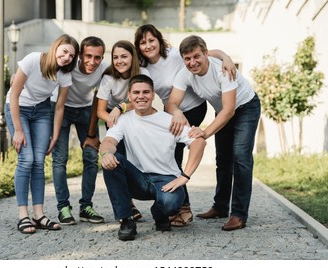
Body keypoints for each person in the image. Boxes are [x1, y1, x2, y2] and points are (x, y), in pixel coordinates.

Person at [134, 24, 236, 227]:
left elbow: (207, 52)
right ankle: (181, 206)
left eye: (151, 40)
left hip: (195, 108)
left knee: (178, 154)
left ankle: (188, 208)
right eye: (143, 42)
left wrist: (227, 58)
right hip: (172, 112)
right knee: (171, 155)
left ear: (159, 40)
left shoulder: (172, 55)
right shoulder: (143, 67)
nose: (148, 45)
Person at [166, 35, 261, 231]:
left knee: (241, 156)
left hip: (245, 107)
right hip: (224, 111)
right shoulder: (185, 73)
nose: (192, 62)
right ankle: (220, 207)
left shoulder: (222, 70)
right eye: (188, 58)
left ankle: (239, 214)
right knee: (223, 160)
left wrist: (204, 133)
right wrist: (176, 112)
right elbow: (172, 102)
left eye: (196, 56)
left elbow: (229, 110)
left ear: (205, 54)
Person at [100, 74, 206, 241]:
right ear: (129, 96)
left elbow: (199, 142)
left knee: (171, 203)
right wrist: (106, 154)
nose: (141, 96)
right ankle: (126, 221)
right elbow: (108, 142)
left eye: (145, 92)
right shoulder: (123, 120)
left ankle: (159, 214)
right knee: (113, 160)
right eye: (136, 92)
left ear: (153, 94)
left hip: (166, 180)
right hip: (138, 180)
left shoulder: (170, 121)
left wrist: (185, 176)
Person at [5, 34, 79, 234]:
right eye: (64, 51)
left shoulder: (64, 75)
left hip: (43, 112)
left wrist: (55, 135)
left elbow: (60, 107)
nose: (66, 58)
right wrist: (18, 131)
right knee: (26, 159)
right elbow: (14, 95)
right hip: (18, 108)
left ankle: (38, 214)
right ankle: (23, 215)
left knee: (39, 161)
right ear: (56, 47)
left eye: (71, 56)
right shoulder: (32, 60)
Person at [50, 36, 109, 225]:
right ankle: (63, 208)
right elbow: (45, 64)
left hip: (86, 110)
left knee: (91, 157)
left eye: (97, 57)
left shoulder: (104, 68)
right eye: (88, 56)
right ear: (80, 55)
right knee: (60, 159)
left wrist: (92, 133)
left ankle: (86, 207)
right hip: (60, 109)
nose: (92, 62)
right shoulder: (68, 63)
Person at [96, 40, 149, 220]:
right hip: (115, 121)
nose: (119, 61)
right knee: (118, 160)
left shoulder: (143, 73)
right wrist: (116, 117)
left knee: (136, 160)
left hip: (137, 117)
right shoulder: (109, 77)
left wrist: (122, 107)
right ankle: (128, 206)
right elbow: (100, 111)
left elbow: (144, 100)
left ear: (132, 57)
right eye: (115, 57)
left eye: (124, 56)